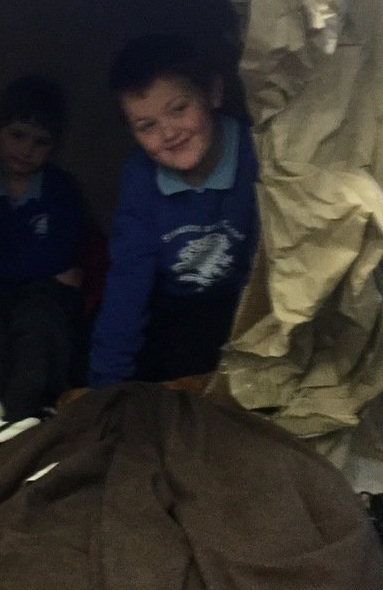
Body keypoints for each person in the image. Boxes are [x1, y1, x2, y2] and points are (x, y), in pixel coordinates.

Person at [88, 34, 259, 387]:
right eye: (147, 126)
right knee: (99, 344)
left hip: (239, 301)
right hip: (172, 301)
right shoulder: (141, 178)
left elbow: (267, 266)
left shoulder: (254, 154)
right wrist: (105, 389)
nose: (168, 132)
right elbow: (129, 280)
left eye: (179, 108)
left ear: (213, 93)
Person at [0, 75, 86, 420]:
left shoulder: (60, 189)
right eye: (17, 135)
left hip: (41, 292)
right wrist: (26, 261)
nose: (26, 150)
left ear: (53, 146)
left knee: (40, 329)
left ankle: (24, 419)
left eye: (40, 142)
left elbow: (59, 252)